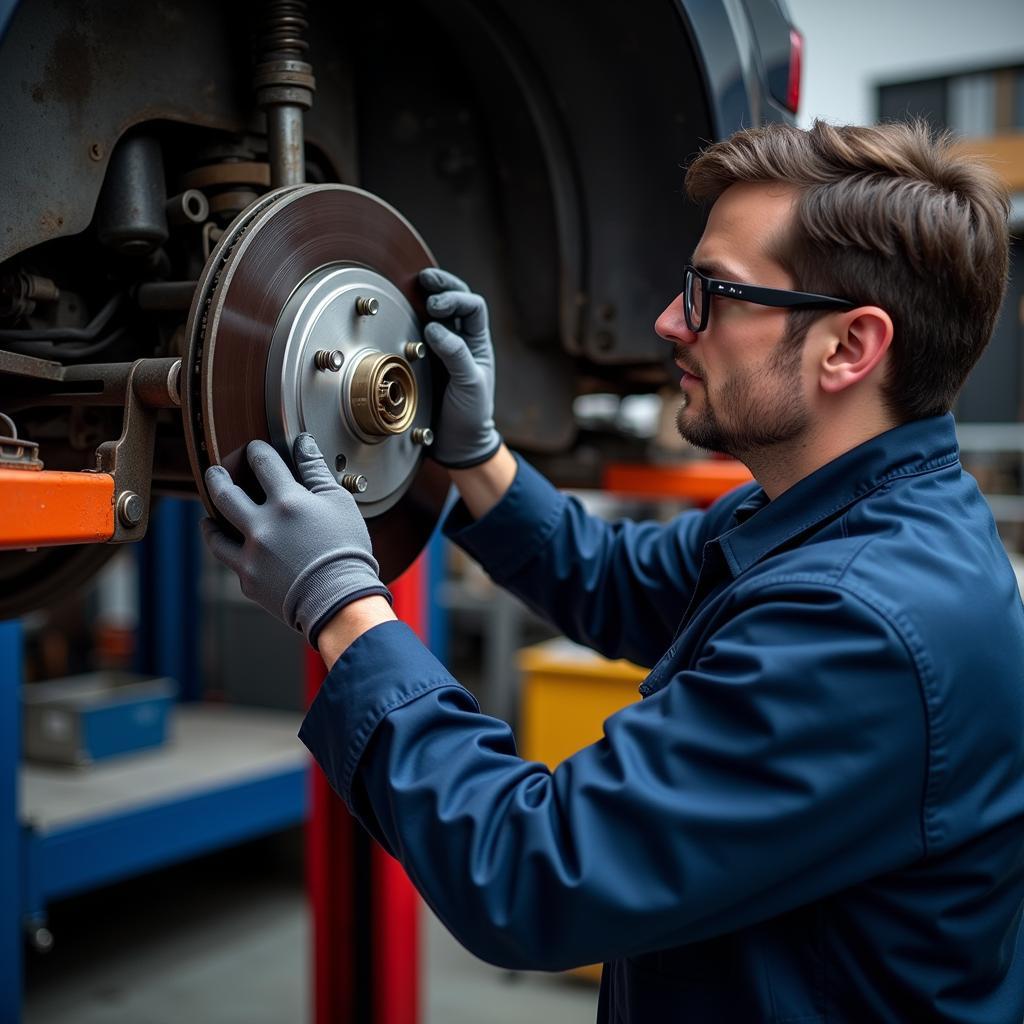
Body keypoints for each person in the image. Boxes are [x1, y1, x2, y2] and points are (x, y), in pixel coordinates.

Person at [201, 120, 1024, 1022]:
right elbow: (621, 581)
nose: (670, 321)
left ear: (849, 348)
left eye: (711, 293)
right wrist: (469, 455)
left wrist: (341, 603)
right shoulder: (832, 516)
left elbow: (533, 873)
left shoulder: (862, 625)